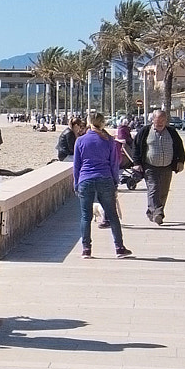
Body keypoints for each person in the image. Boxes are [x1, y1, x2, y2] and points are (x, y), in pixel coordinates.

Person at [73, 110, 131, 259]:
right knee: (112, 215)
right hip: (105, 178)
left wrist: (76, 183)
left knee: (86, 216)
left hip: (85, 179)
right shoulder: (109, 140)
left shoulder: (80, 140)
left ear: (89, 122)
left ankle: (86, 249)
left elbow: (77, 165)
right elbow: (114, 164)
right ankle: (119, 248)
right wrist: (115, 182)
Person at [134, 109, 185, 225]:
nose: (160, 122)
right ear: (152, 120)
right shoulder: (145, 131)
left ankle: (152, 211)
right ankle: (158, 213)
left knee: (163, 191)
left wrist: (181, 161)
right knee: (153, 189)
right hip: (150, 166)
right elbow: (136, 147)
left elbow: (179, 147)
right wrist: (137, 163)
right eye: (157, 120)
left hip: (167, 167)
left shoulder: (171, 132)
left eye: (163, 120)